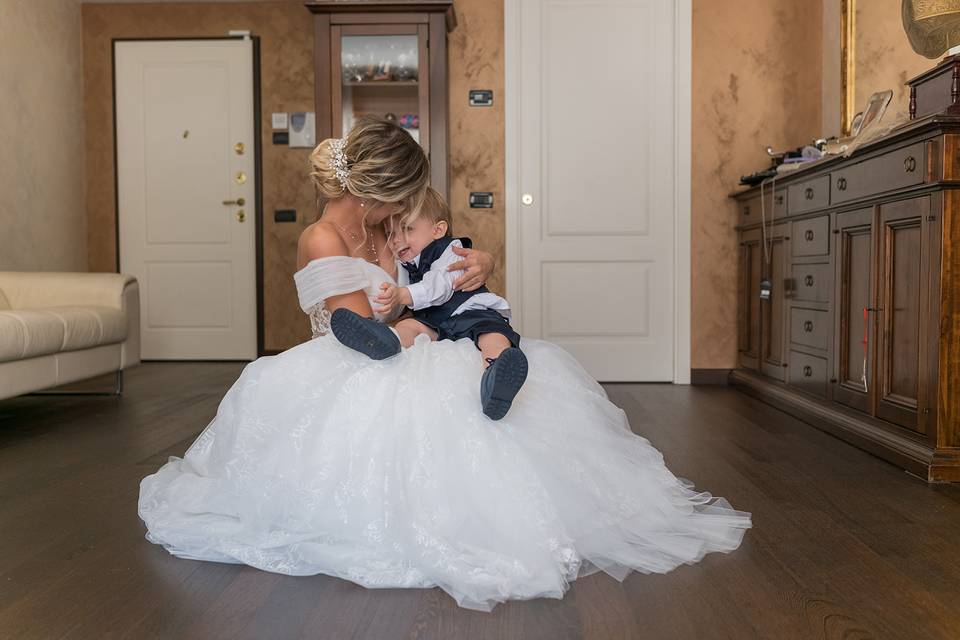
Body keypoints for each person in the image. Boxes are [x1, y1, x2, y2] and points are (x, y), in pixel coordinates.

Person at [138, 115, 752, 612]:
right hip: (363, 356)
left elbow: (438, 262)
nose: (407, 210)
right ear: (380, 191)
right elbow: (365, 322)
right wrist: (420, 306)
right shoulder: (323, 238)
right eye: (403, 195)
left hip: (426, 338)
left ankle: (496, 384)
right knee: (416, 417)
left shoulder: (393, 226)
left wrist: (474, 265)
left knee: (495, 391)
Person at [330, 187, 527, 420]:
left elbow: (440, 286)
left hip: (471, 313)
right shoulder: (407, 262)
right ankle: (386, 341)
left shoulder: (452, 251)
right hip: (435, 322)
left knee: (492, 336)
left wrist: (403, 294)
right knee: (410, 327)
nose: (397, 240)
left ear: (438, 230)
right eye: (391, 233)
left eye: (407, 229)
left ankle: (496, 377)